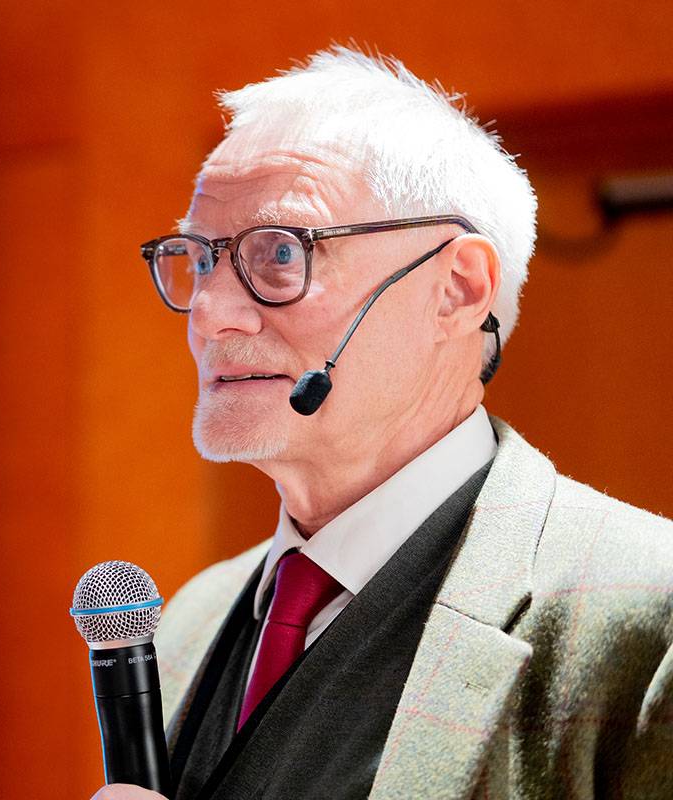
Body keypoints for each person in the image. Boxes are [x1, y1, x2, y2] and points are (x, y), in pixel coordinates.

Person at [91, 47, 673, 800]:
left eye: (279, 253)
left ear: (457, 290)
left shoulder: (648, 615)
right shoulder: (188, 622)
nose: (209, 313)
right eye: (200, 260)